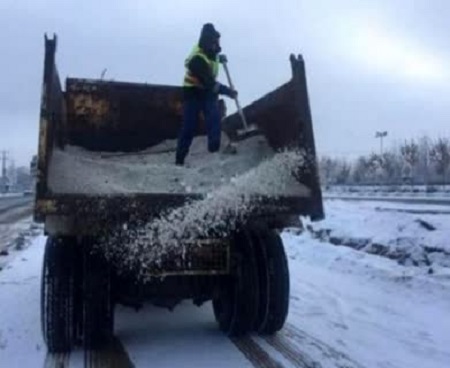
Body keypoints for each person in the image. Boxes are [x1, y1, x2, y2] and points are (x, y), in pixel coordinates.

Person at [175, 23, 237, 166]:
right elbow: (210, 83)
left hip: (207, 92)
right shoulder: (197, 59)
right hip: (193, 92)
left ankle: (214, 152)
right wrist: (229, 92)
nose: (217, 44)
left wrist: (218, 56)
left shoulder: (211, 50)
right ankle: (179, 160)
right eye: (214, 42)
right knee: (189, 127)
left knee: (214, 118)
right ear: (207, 41)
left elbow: (212, 62)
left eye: (217, 42)